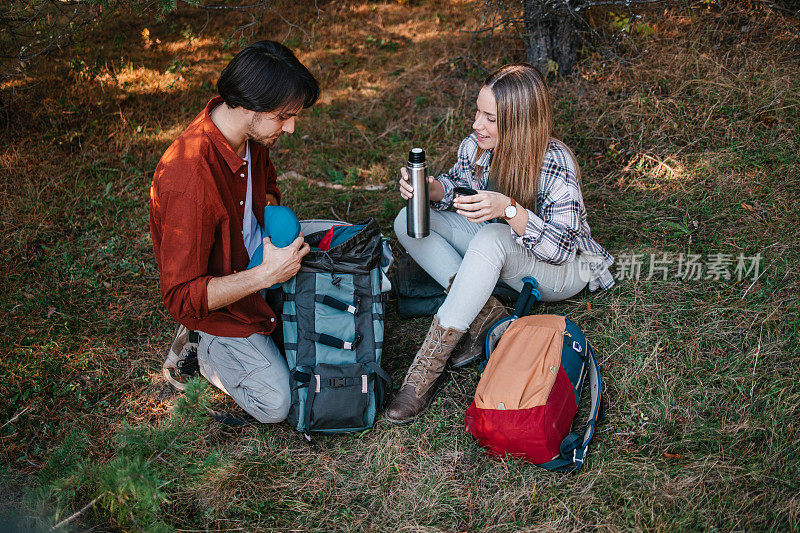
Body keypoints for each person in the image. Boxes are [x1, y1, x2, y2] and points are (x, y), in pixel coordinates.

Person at [386, 64, 615, 424]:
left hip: (567, 269)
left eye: (490, 118)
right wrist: (428, 191)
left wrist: (509, 209)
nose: (477, 124)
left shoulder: (555, 162)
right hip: (504, 251)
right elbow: (456, 186)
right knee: (409, 220)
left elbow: (562, 250)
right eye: (478, 111)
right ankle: (486, 315)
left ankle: (423, 373)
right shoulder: (476, 148)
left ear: (520, 122)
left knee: (494, 235)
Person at [149, 40, 318, 423]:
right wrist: (265, 275)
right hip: (220, 300)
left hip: (258, 258)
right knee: (276, 403)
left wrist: (275, 220)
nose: (290, 128)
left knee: (342, 242)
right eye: (283, 116)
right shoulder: (189, 177)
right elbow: (178, 296)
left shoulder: (250, 134)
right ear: (246, 106)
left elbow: (267, 181)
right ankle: (201, 346)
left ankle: (268, 299)